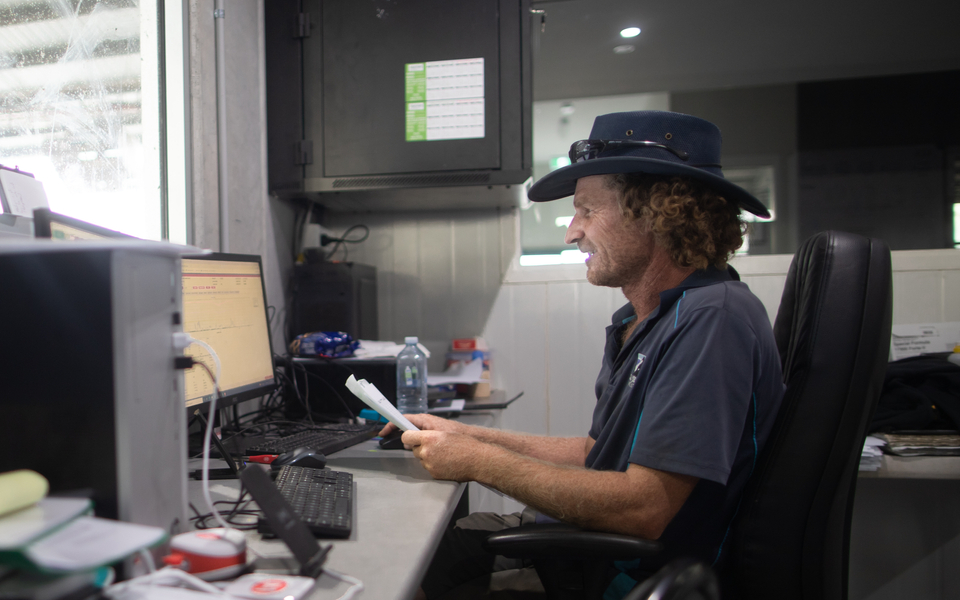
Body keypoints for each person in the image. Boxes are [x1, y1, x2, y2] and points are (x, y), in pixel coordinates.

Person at [381, 111, 786, 599]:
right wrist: (462, 434)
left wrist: (476, 461)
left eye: (588, 211)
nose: (572, 232)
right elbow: (598, 453)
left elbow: (644, 508)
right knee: (433, 541)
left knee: (410, 569)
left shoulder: (712, 319)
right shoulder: (644, 321)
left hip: (625, 577)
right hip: (597, 548)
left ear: (661, 211)